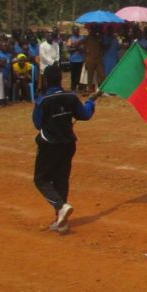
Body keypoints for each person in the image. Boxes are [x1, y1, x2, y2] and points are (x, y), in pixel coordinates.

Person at [32, 64, 100, 234]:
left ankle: (60, 206)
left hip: (49, 144)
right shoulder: (71, 96)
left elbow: (37, 123)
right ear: (61, 78)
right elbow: (84, 115)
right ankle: (60, 220)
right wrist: (90, 102)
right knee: (61, 179)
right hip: (68, 144)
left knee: (41, 179)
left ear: (46, 80)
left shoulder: (43, 100)